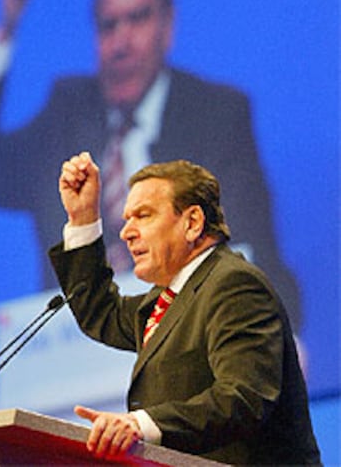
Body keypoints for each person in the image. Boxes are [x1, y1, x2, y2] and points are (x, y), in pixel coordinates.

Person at [0, 0, 301, 334]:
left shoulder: (217, 115)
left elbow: (260, 259)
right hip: (74, 363)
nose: (120, 42)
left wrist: (281, 341)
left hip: (194, 341)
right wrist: (6, 26)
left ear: (168, 24)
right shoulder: (66, 111)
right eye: (107, 25)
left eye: (137, 19)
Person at [49, 151, 321, 465]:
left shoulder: (234, 284)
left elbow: (244, 399)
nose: (126, 232)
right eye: (126, 219)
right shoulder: (170, 298)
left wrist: (141, 424)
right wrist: (83, 219)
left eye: (144, 215)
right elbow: (102, 313)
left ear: (192, 222)